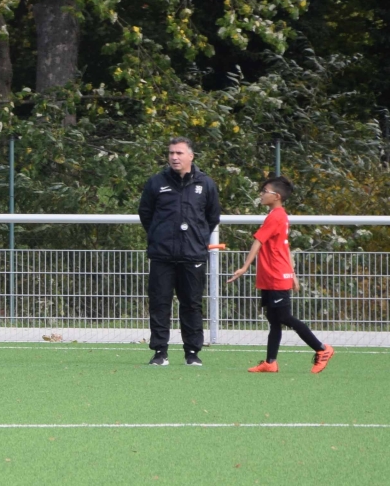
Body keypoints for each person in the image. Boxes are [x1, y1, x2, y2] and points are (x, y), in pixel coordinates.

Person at [229, 176, 332, 374]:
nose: (261, 194)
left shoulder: (276, 216)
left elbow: (258, 241)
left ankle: (322, 349)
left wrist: (244, 267)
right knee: (274, 319)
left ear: (276, 196)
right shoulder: (278, 216)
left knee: (284, 317)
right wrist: (293, 274)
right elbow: (284, 246)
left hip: (276, 275)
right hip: (272, 275)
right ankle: (270, 362)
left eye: (264, 191)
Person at [137, 136, 221, 366]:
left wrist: (198, 238)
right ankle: (160, 352)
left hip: (193, 255)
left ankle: (192, 353)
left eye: (179, 153)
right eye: (171, 153)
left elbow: (212, 216)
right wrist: (158, 235)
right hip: (162, 255)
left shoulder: (206, 184)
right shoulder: (156, 182)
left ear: (190, 156)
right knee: (159, 303)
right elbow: (146, 213)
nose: (174, 157)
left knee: (192, 304)